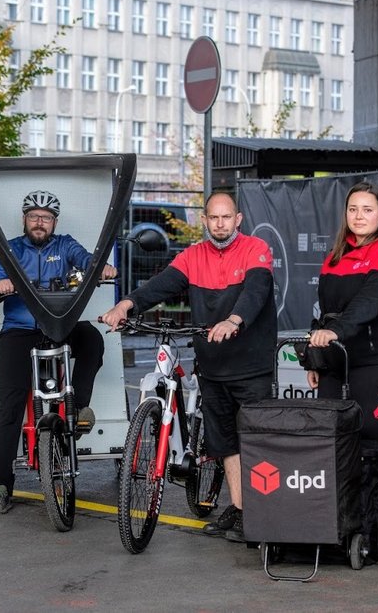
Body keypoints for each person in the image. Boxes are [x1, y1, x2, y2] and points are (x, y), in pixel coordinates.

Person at [101, 192, 276, 543]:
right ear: (206, 220)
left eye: (227, 217)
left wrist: (234, 320)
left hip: (250, 366)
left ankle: (265, 514)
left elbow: (255, 293)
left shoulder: (256, 249)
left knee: (257, 441)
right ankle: (241, 510)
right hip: (213, 367)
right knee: (225, 443)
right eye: (214, 217)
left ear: (238, 219)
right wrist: (126, 304)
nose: (221, 224)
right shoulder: (193, 257)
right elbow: (160, 286)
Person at [0, 190, 117, 515]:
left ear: (54, 222)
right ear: (25, 220)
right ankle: (1, 486)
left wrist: (102, 268)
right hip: (20, 330)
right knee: (10, 404)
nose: (39, 222)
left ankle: (80, 407)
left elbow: (88, 260)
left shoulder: (65, 245)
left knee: (93, 341)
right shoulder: (11, 248)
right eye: (33, 216)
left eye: (45, 217)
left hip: (60, 325)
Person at [306, 181, 378, 446]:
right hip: (338, 359)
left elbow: (369, 303)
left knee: (368, 436)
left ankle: (372, 489)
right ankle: (340, 490)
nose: (359, 216)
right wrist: (317, 360)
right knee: (330, 435)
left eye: (367, 209)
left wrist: (335, 332)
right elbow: (325, 314)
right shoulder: (335, 256)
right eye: (353, 209)